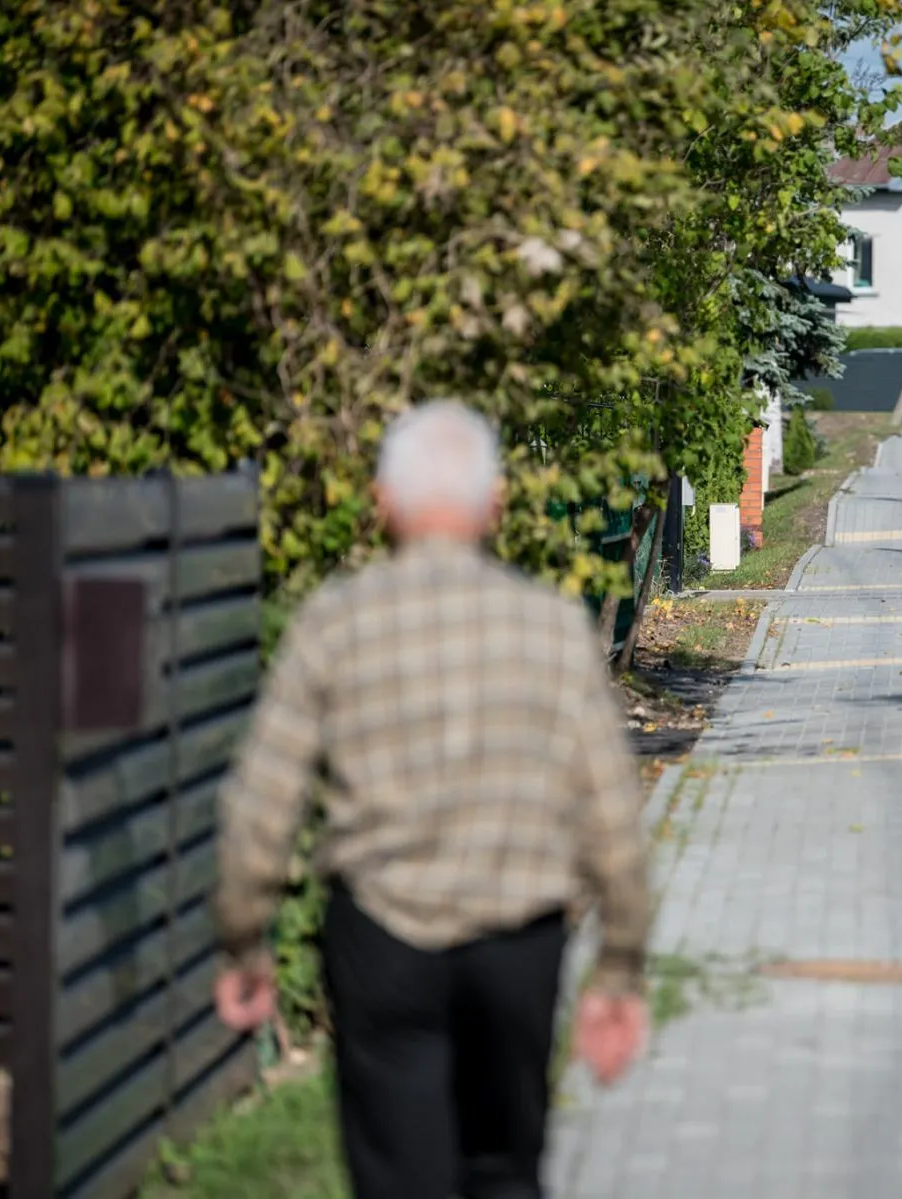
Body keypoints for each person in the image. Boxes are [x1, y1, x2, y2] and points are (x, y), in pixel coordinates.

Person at [210, 400, 652, 1199]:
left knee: (398, 1177)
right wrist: (618, 970)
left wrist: (245, 941)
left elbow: (260, 808)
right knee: (505, 1171)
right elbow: (612, 817)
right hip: (518, 943)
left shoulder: (335, 623)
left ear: (382, 503)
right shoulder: (552, 626)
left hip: (381, 941)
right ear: (495, 506)